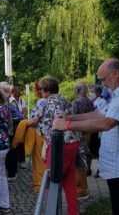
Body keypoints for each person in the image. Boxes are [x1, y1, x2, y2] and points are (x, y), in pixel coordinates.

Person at [53, 58, 119, 215]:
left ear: (116, 74)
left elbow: (106, 123)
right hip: (118, 166)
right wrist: (69, 118)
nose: (102, 84)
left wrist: (67, 126)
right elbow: (99, 114)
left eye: (103, 79)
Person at [40, 77, 80, 215]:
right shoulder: (64, 99)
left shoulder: (51, 102)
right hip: (73, 142)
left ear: (48, 90)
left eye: (41, 89)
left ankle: (51, 211)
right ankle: (73, 212)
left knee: (51, 180)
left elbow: (53, 124)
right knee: (69, 182)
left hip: (60, 144)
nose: (40, 91)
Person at [12, 81, 47, 191]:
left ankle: (41, 183)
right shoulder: (45, 100)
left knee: (40, 160)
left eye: (35, 90)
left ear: (40, 90)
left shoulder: (42, 101)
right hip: (42, 134)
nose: (35, 92)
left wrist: (24, 123)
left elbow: (36, 119)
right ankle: (40, 181)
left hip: (40, 134)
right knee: (40, 159)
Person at [71, 81, 94, 200]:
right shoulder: (90, 102)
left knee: (79, 157)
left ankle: (80, 186)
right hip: (88, 130)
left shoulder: (75, 103)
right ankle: (88, 169)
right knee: (87, 152)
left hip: (78, 132)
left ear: (77, 90)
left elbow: (73, 119)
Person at [88, 84, 108, 178]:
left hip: (98, 128)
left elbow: (104, 114)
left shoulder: (103, 102)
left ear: (98, 92)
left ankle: (99, 170)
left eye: (93, 91)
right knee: (88, 150)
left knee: (98, 150)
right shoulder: (88, 101)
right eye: (90, 91)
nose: (91, 93)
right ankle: (88, 168)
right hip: (89, 127)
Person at [10, 86, 27, 169]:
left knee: (21, 141)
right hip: (14, 124)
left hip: (20, 122)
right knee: (15, 141)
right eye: (16, 95)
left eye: (18, 95)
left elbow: (25, 111)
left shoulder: (21, 100)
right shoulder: (11, 100)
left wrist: (21, 116)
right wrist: (21, 116)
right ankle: (16, 160)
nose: (17, 97)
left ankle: (22, 160)